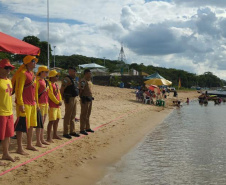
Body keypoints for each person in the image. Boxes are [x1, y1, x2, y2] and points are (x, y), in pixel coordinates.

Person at [12, 55, 38, 155]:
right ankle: (19, 147)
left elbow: (34, 90)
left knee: (31, 125)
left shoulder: (33, 74)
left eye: (35, 61)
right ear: (27, 62)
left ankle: (29, 144)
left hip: (32, 103)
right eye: (33, 61)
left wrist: (36, 102)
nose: (35, 63)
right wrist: (21, 103)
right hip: (24, 104)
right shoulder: (22, 74)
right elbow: (19, 90)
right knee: (21, 126)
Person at [0, 59, 15, 165]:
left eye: (10, 67)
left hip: (9, 112)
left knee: (7, 135)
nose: (8, 69)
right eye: (6, 67)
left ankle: (5, 153)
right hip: (0, 112)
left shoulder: (8, 80)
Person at [60, 66, 80, 139]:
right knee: (68, 115)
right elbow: (62, 89)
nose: (74, 72)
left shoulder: (74, 79)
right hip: (69, 98)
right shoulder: (66, 79)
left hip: (74, 98)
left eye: (74, 71)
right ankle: (66, 132)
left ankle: (72, 131)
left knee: (73, 115)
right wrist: (61, 98)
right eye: (72, 71)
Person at [35, 66, 49, 147]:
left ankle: (41, 139)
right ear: (41, 72)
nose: (47, 73)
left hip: (45, 103)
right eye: (45, 72)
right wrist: (37, 104)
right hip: (40, 104)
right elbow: (35, 94)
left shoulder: (45, 81)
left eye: (47, 72)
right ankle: (38, 141)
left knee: (43, 123)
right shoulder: (37, 80)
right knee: (39, 123)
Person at [47, 70, 62, 143]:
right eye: (56, 76)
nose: (58, 77)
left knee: (57, 119)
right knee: (51, 121)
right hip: (52, 105)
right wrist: (57, 101)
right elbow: (50, 95)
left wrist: (60, 100)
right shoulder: (49, 84)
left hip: (57, 105)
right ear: (52, 76)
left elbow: (59, 93)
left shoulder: (56, 84)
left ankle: (55, 134)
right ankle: (49, 137)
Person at [79, 69, 94, 135]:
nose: (90, 74)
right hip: (85, 99)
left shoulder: (89, 81)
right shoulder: (83, 81)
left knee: (88, 114)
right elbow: (81, 90)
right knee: (83, 114)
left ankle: (87, 127)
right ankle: (82, 129)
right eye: (89, 73)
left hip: (89, 99)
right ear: (86, 73)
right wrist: (81, 97)